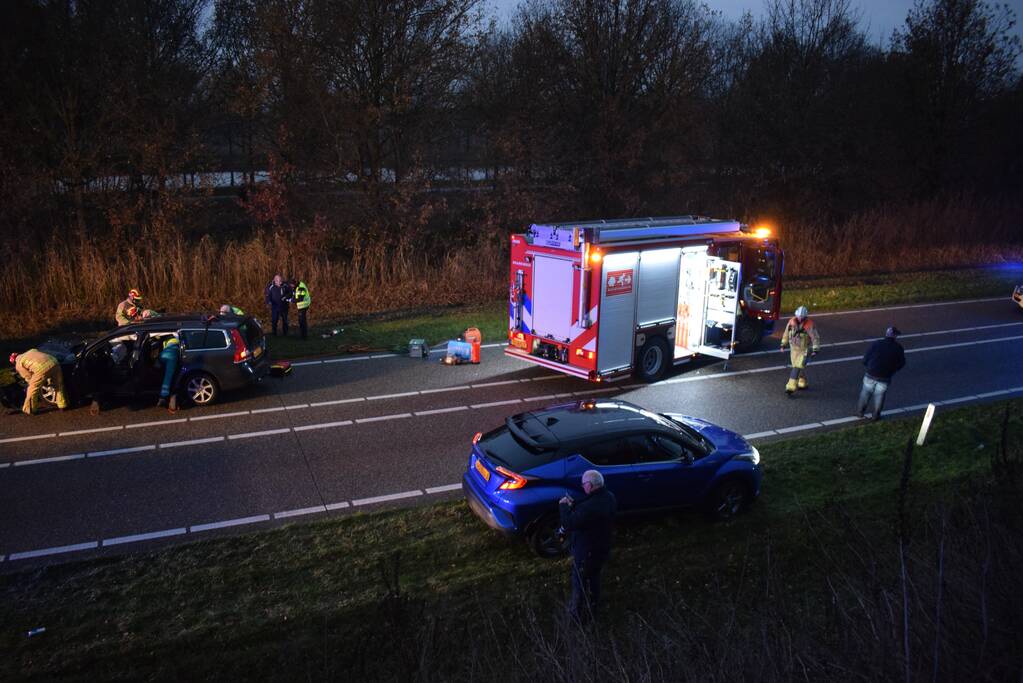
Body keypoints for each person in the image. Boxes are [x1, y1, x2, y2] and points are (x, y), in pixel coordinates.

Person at [559, 469, 617, 621]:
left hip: (587, 552)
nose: (583, 486)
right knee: (594, 577)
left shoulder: (590, 507)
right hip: (602, 547)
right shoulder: (609, 497)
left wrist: (564, 506)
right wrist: (575, 504)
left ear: (590, 485)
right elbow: (589, 507)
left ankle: (577, 616)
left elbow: (569, 523)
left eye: (584, 484)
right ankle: (593, 606)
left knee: (579, 582)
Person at [858, 326, 906, 421]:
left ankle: (860, 412)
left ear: (886, 334)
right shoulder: (898, 347)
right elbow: (901, 363)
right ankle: (876, 416)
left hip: (871, 373)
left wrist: (869, 366)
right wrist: (892, 370)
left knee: (865, 393)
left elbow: (865, 358)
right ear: (895, 336)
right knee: (879, 395)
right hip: (885, 376)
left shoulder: (877, 343)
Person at [10, 349, 68, 415]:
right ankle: (62, 405)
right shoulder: (31, 350)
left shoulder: (18, 364)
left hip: (41, 368)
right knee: (59, 385)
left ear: (14, 362)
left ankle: (30, 409)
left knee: (32, 389)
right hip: (54, 362)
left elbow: (28, 377)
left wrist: (32, 382)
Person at [780, 305, 821, 395]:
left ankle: (791, 387)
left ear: (805, 317)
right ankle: (803, 382)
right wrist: (783, 344)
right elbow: (786, 334)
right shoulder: (791, 322)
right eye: (799, 316)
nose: (800, 319)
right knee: (797, 366)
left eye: (802, 317)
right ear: (796, 315)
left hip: (805, 350)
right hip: (793, 350)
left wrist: (815, 349)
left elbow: (815, 338)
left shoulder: (809, 325)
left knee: (797, 367)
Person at [156, 335, 181, 412]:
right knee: (169, 376)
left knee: (166, 375)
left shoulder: (164, 338)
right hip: (172, 355)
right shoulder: (177, 338)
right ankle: (167, 401)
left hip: (164, 354)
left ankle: (163, 398)